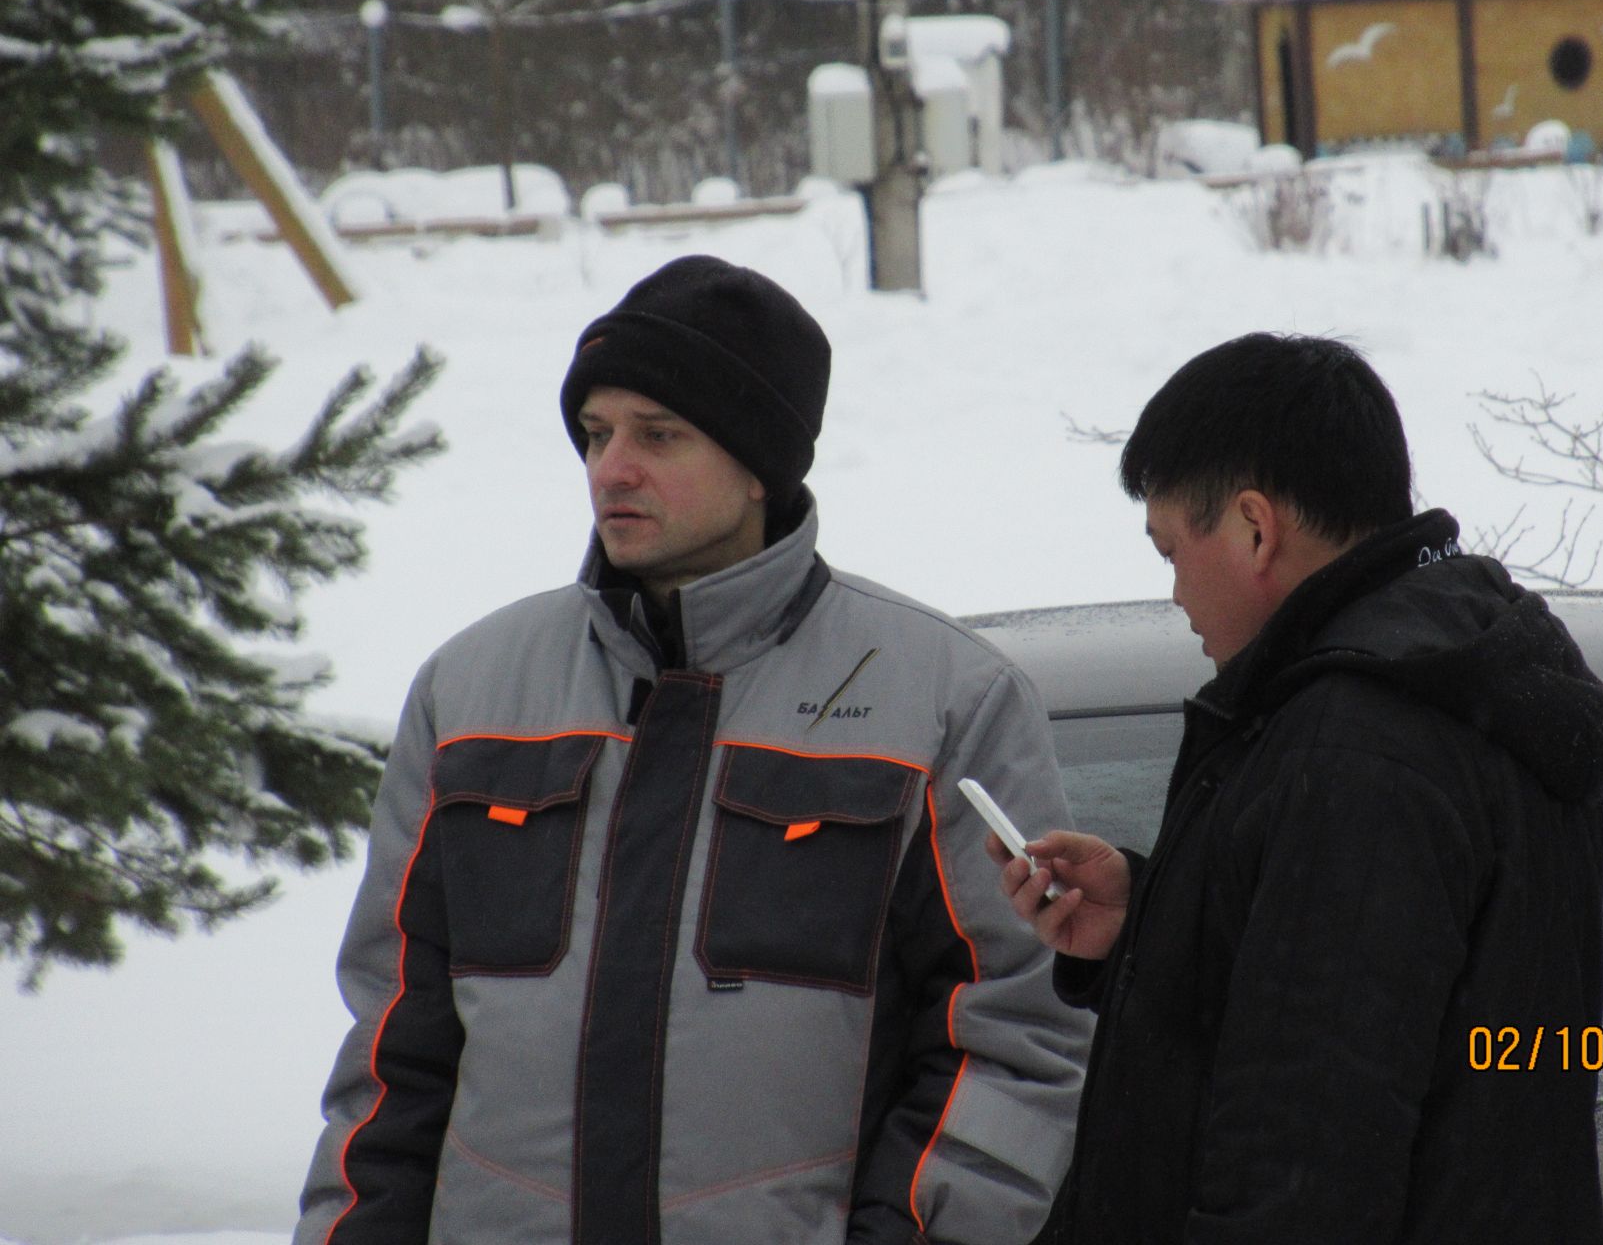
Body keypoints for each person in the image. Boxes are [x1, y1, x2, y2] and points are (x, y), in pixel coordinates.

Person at [296, 255, 1091, 1245]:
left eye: (657, 434)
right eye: (596, 433)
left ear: (759, 465)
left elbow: (1012, 1038)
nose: (610, 468)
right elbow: (390, 1053)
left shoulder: (942, 699)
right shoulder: (471, 693)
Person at [995, 333, 1603, 1244]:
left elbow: (1304, 1151)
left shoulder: (1360, 749)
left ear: (1255, 528)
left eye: (1171, 550)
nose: (1174, 593)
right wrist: (1151, 925)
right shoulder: (1456, 693)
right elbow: (1410, 1022)